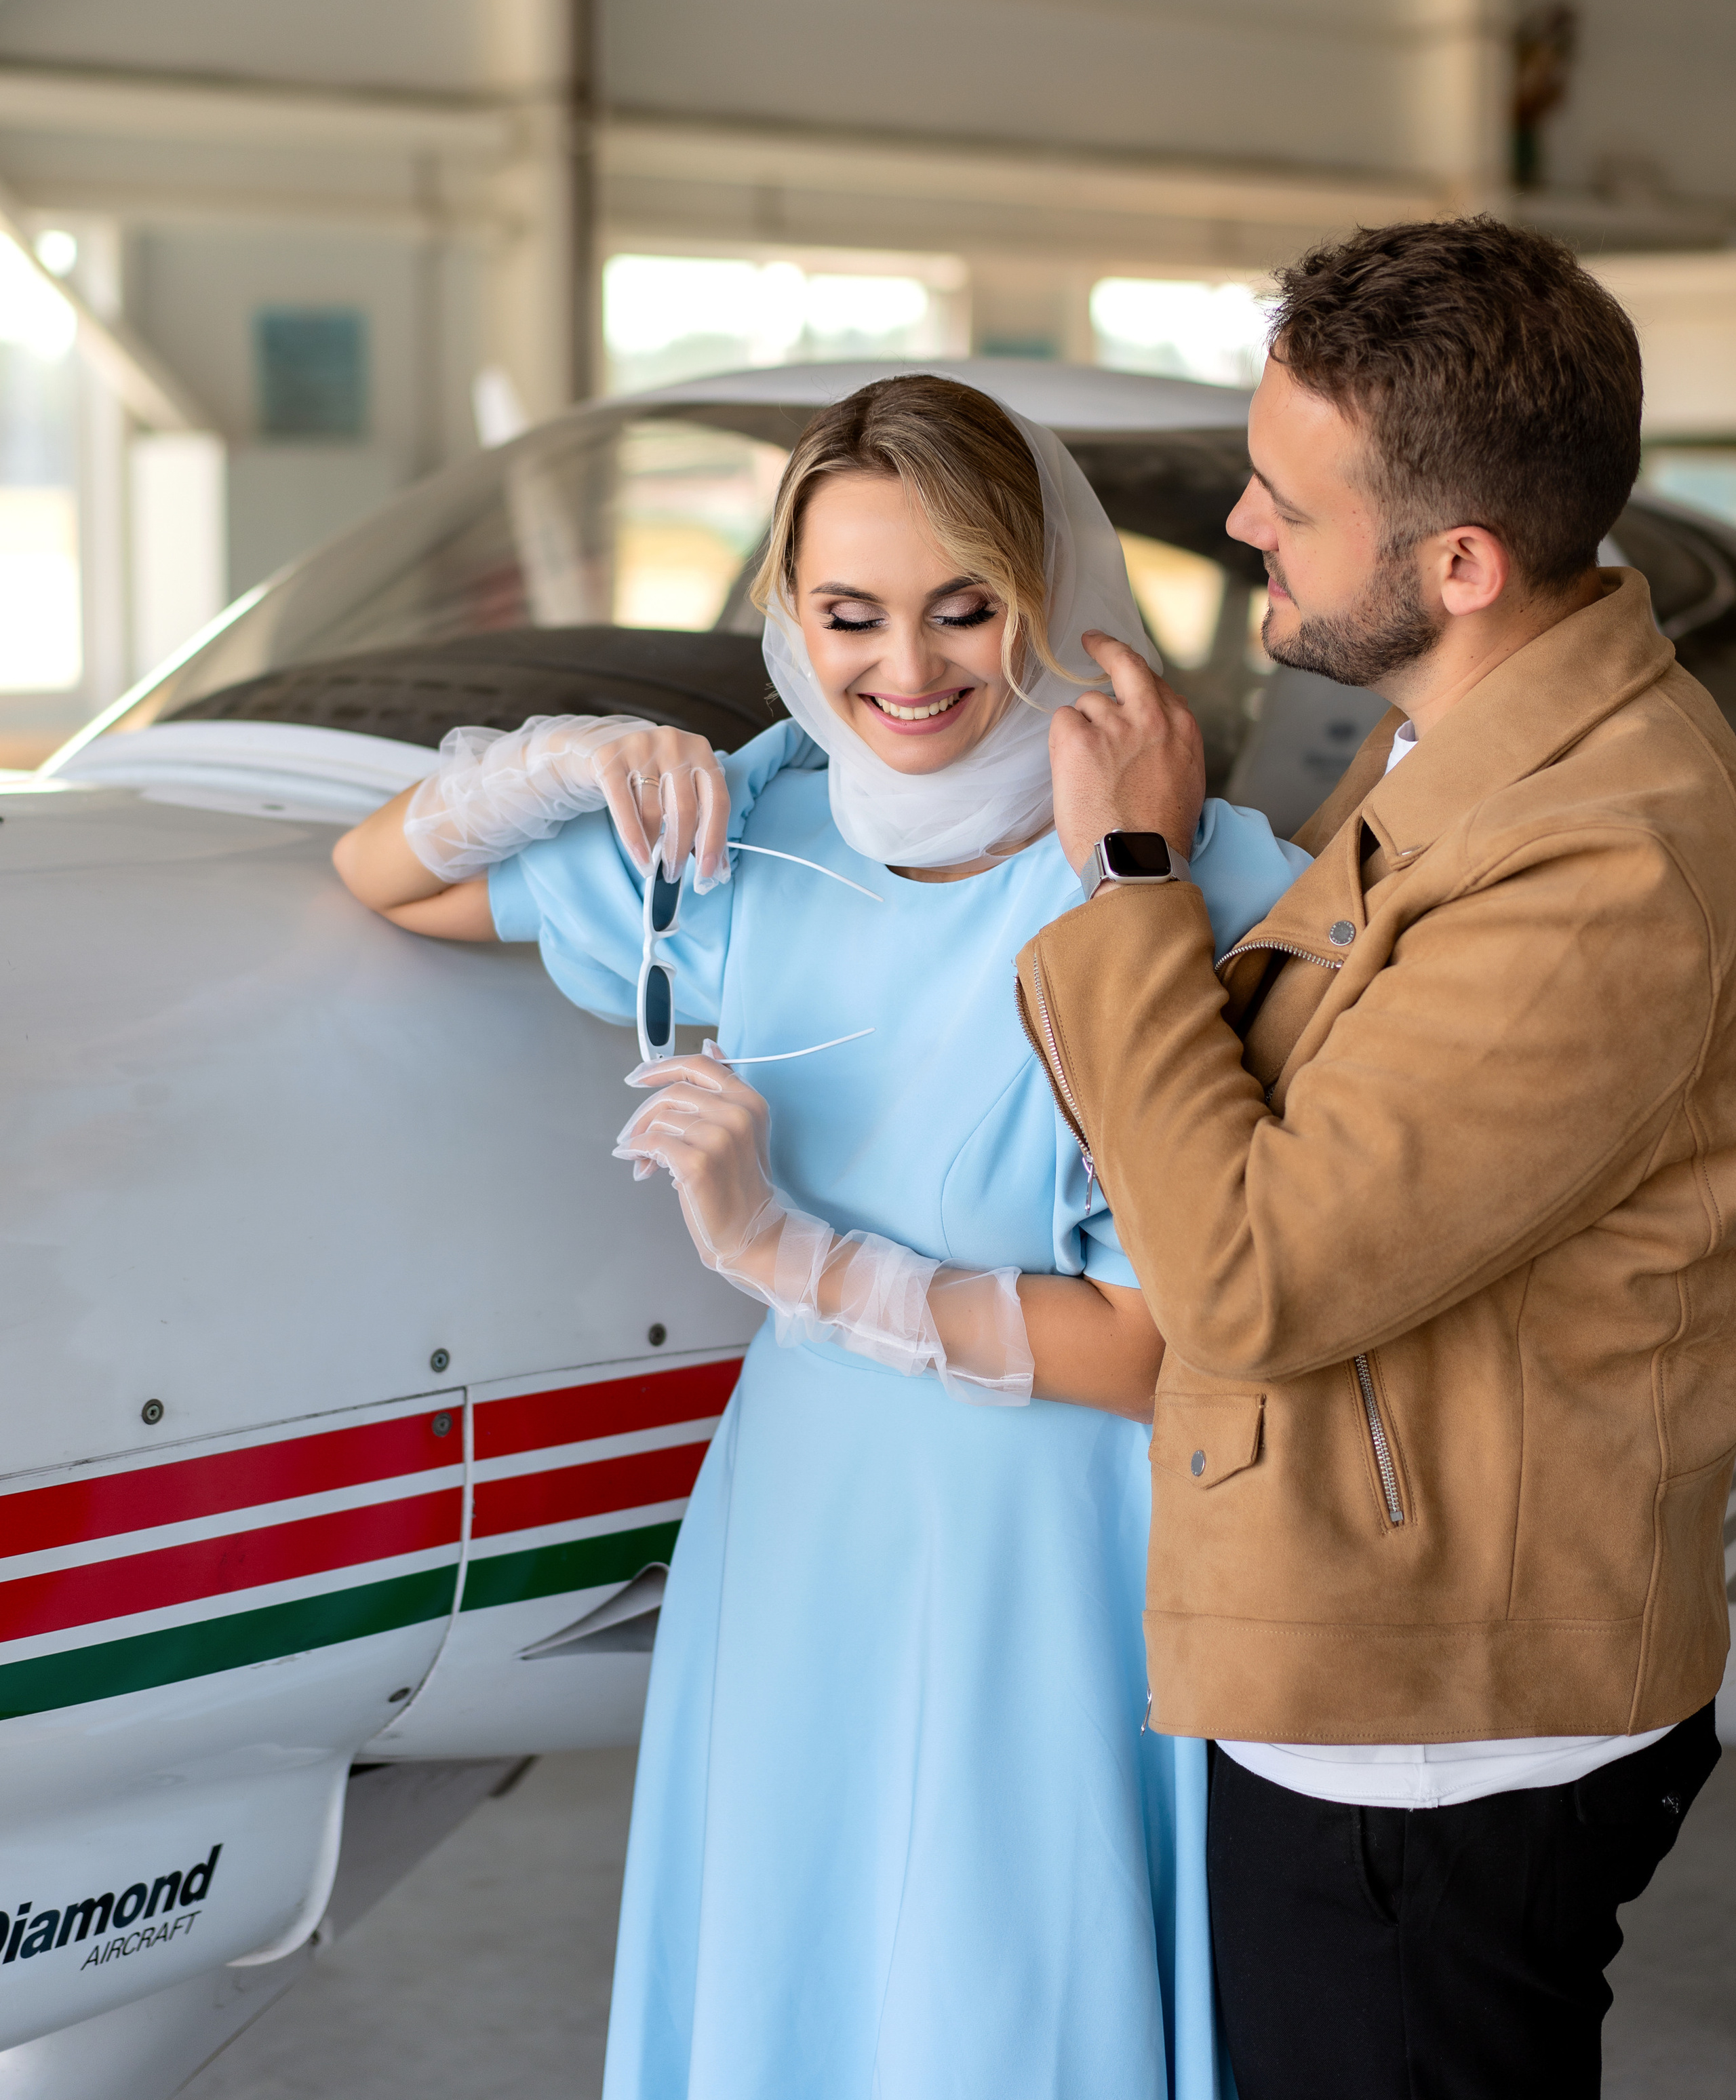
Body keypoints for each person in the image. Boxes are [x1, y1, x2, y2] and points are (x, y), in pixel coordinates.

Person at [332, 374, 1306, 2100]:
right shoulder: (757, 834)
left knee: (1002, 1993)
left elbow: (1180, 1344)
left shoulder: (1192, 880)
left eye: (963, 609)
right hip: (802, 1525)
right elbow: (382, 881)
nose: (907, 674)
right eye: (848, 616)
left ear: (1047, 598)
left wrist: (787, 1255)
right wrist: (558, 764)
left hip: (1053, 1550)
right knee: (797, 1974)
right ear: (786, 616)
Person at [1014, 217, 1735, 2099]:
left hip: (1435, 1733)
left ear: (1463, 563)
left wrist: (1129, 882)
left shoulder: (1603, 858)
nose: (1246, 528)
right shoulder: (1473, 738)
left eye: (1287, 502)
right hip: (1384, 1667)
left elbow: (1255, 1282)